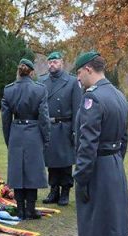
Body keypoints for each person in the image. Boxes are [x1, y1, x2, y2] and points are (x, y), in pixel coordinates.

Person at [73, 51, 128, 236]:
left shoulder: (92, 99)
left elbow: (87, 144)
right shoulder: (118, 95)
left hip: (97, 169)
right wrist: (115, 162)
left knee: (97, 229)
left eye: (79, 73)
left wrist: (82, 177)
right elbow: (124, 138)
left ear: (87, 70)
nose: (79, 79)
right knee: (108, 228)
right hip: (113, 165)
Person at [1, 58, 51, 220]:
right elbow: (44, 117)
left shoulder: (9, 90)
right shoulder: (40, 90)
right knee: (33, 171)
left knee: (17, 171)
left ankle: (20, 209)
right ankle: (30, 209)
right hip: (34, 133)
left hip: (16, 132)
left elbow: (5, 119)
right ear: (31, 72)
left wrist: (9, 138)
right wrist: (46, 137)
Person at [39, 51, 82, 206]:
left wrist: (75, 130)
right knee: (51, 162)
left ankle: (65, 192)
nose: (52, 65)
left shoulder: (71, 81)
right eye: (50, 62)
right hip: (49, 126)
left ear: (62, 63)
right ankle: (53, 190)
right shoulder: (42, 81)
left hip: (65, 126)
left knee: (65, 162)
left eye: (55, 62)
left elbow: (77, 107)